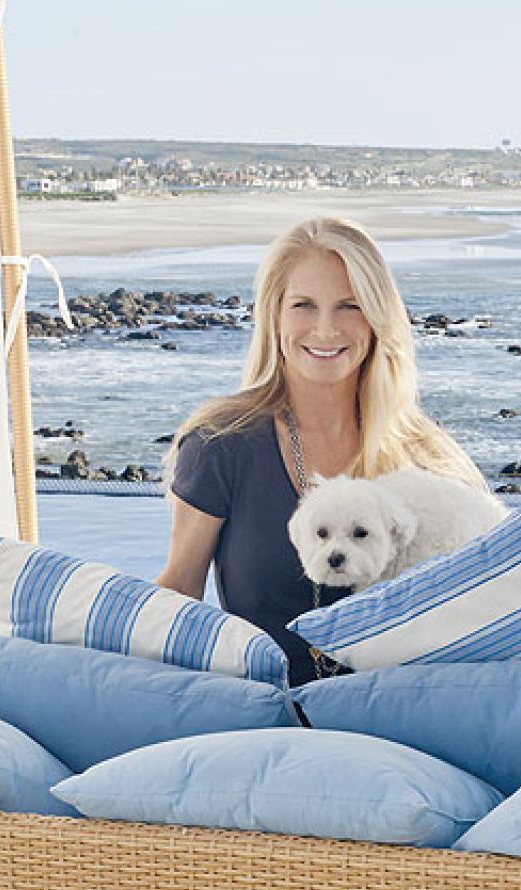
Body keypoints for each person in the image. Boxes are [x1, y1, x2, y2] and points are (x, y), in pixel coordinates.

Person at [153, 218, 485, 686]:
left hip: (410, 712)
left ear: (377, 318)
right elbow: (179, 593)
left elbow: (486, 601)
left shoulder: (428, 455)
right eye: (303, 305)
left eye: (350, 306)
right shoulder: (220, 445)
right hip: (272, 713)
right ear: (275, 315)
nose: (326, 330)